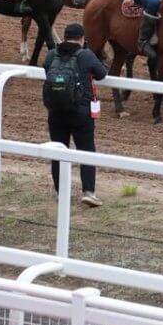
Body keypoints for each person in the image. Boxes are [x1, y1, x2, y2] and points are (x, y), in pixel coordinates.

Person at [42, 23, 107, 208]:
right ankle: (88, 192)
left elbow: (47, 69)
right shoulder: (85, 55)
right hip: (81, 113)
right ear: (81, 38)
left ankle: (59, 190)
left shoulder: (51, 54)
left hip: (55, 112)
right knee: (86, 150)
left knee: (59, 150)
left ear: (64, 36)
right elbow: (101, 73)